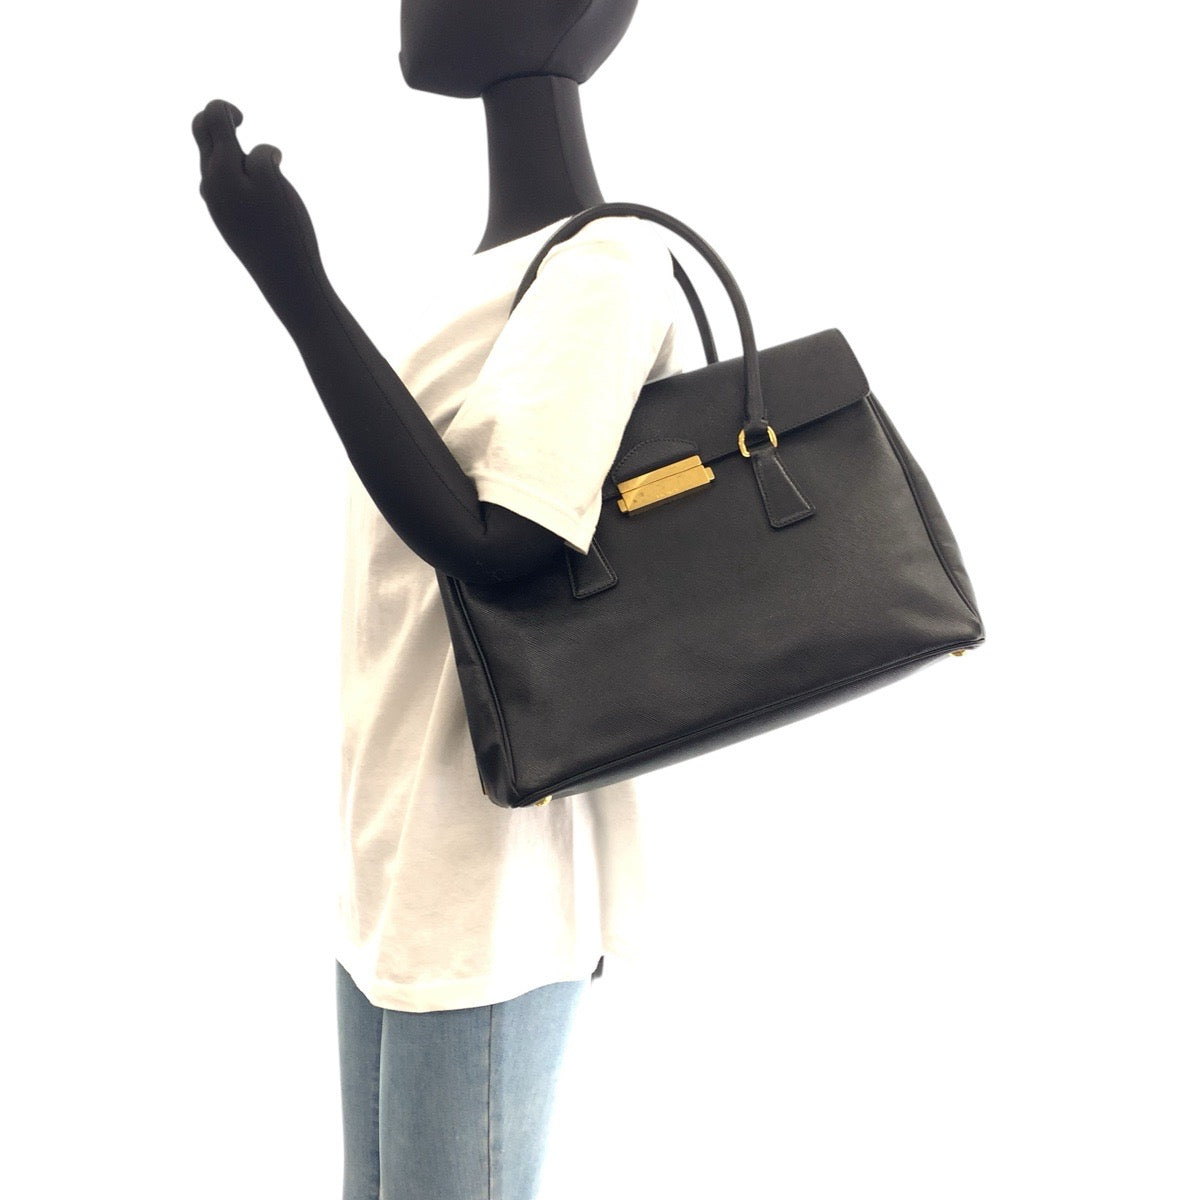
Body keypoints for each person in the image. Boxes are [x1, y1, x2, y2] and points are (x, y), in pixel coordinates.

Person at [192, 2, 681, 1197]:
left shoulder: (609, 265)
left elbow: (499, 543)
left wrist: (298, 287)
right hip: (397, 863)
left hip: (493, 882)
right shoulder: (493, 279)